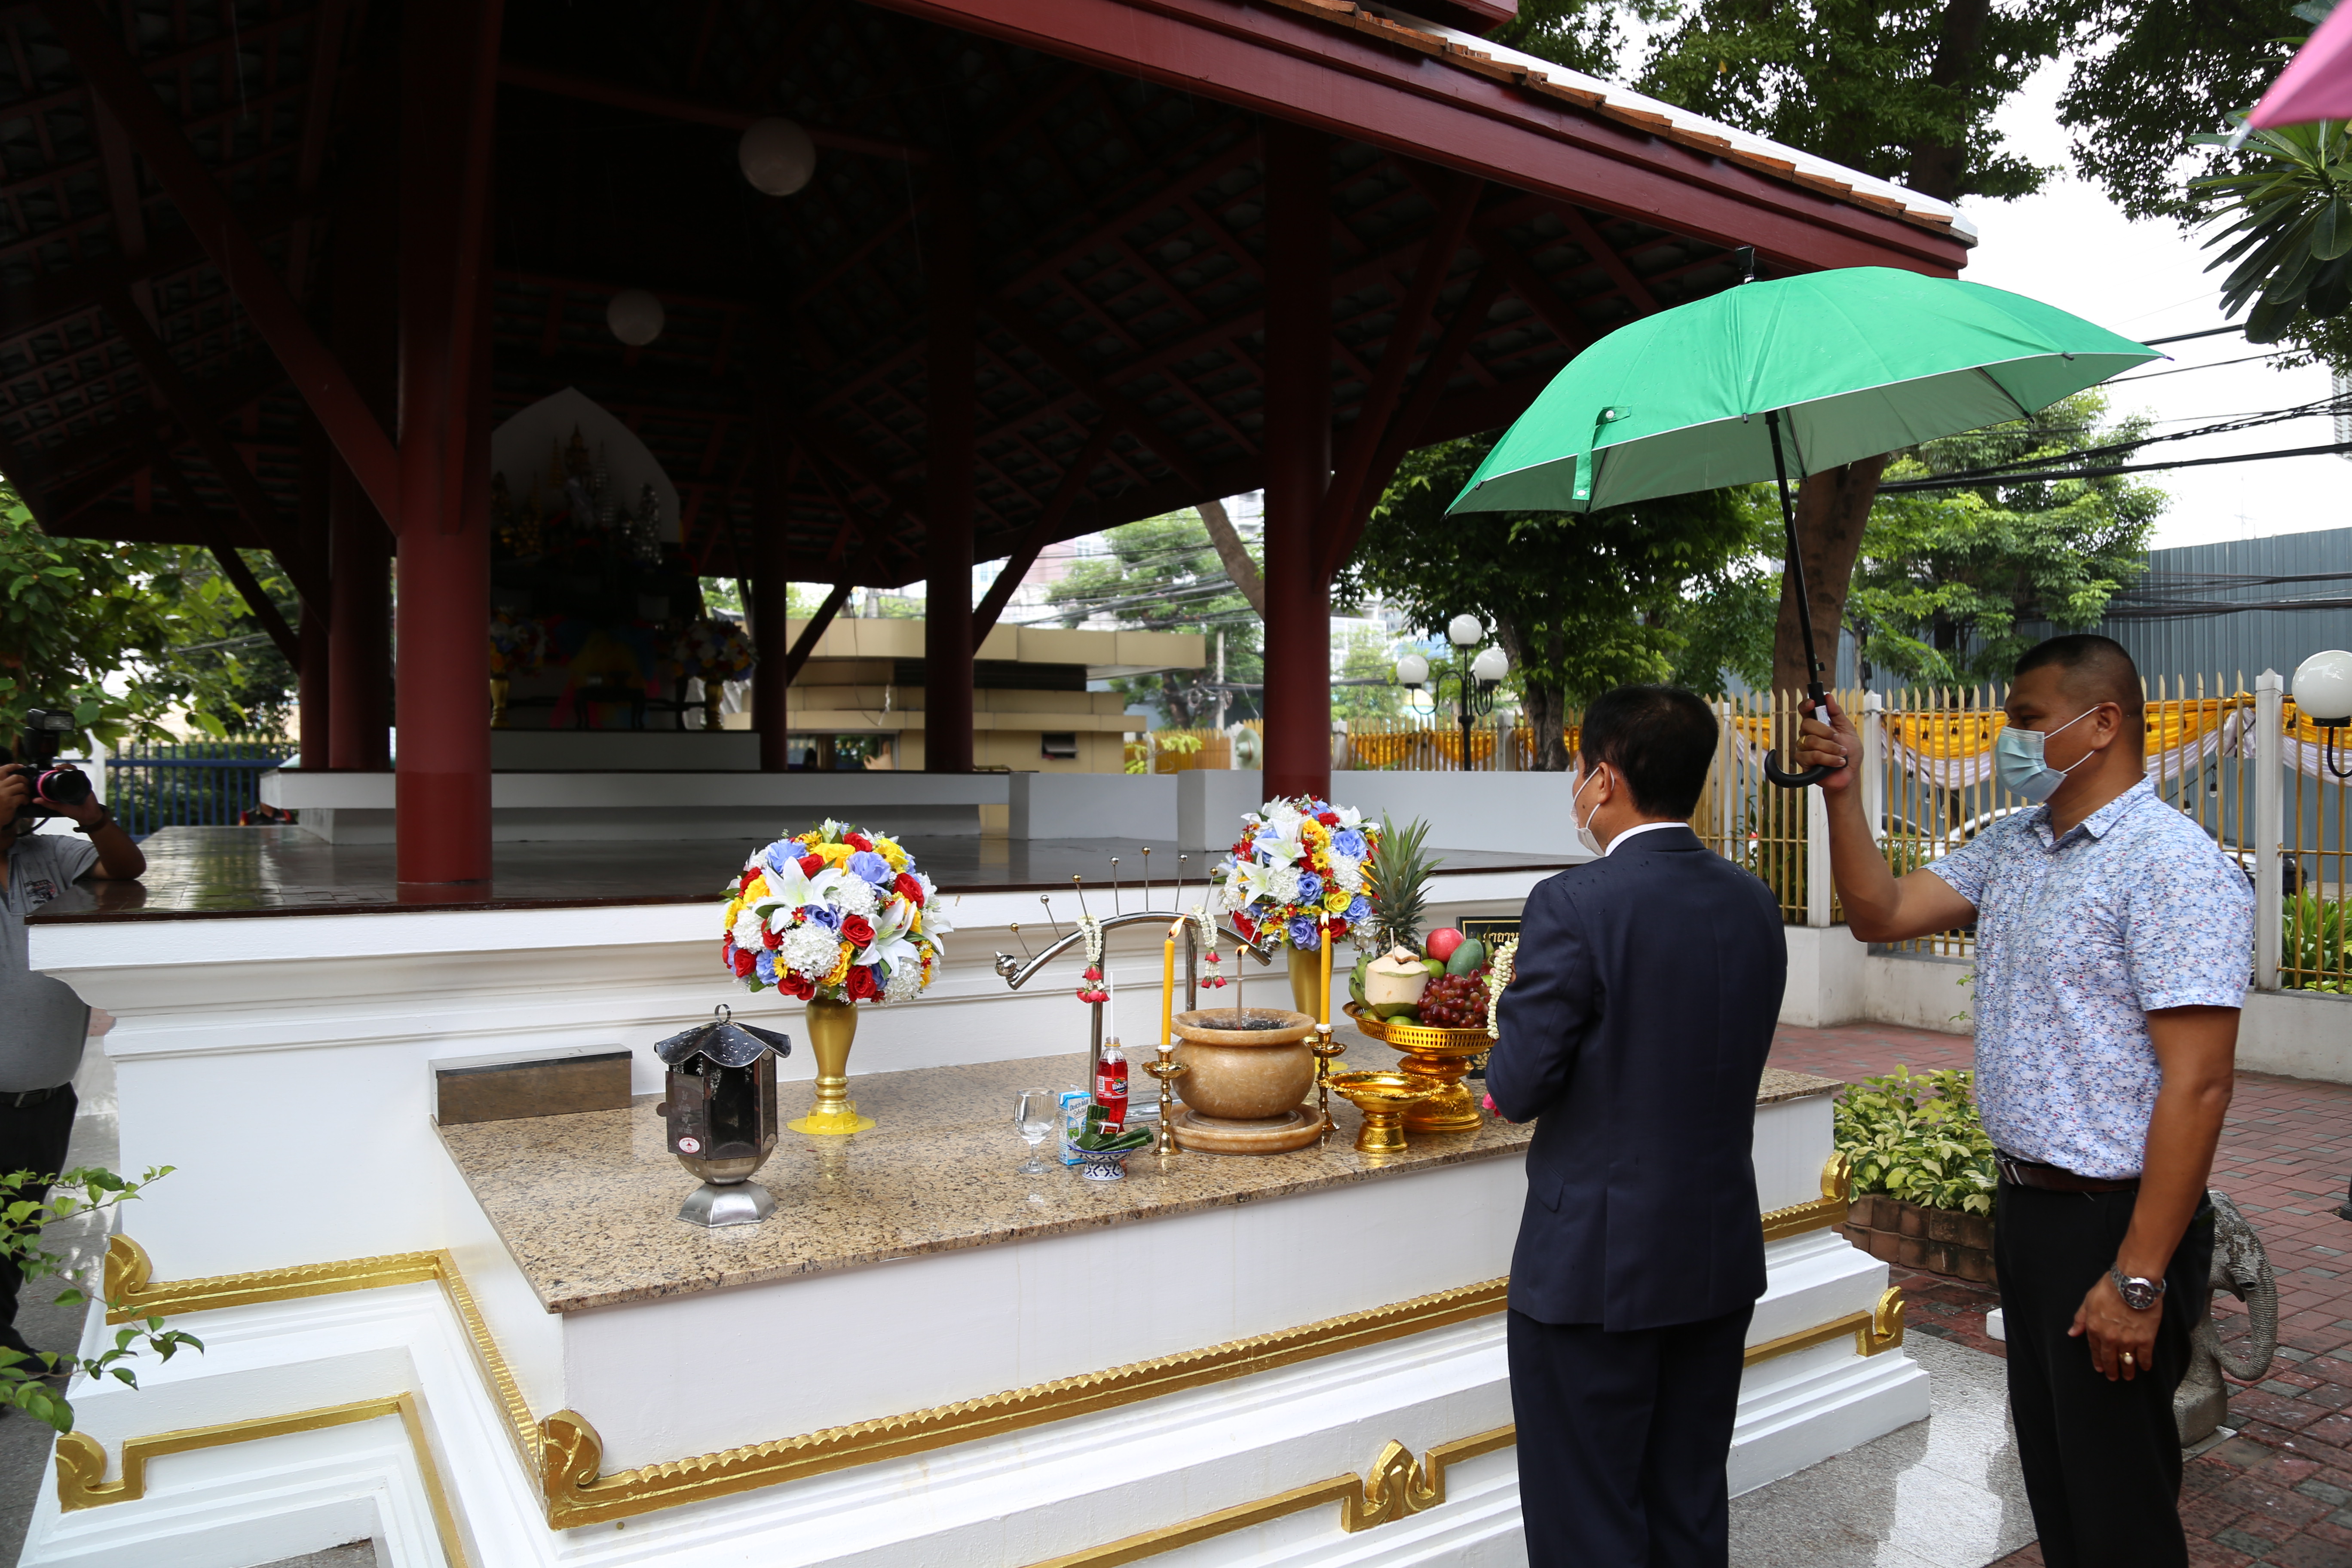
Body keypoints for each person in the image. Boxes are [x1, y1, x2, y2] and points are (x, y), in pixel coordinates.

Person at [1795, 634, 2250, 1568]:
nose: (2007, 740)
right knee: (2055, 1480)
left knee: (2118, 1506)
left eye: (2028, 720)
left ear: (2104, 723)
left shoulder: (2170, 864)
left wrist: (2138, 1278)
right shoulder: (2015, 844)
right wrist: (1843, 792)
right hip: (2029, 1209)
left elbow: (2200, 1084)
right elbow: (1882, 911)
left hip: (2117, 1223)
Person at [1487, 684, 1787, 1568]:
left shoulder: (1574, 903)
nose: (1576, 785)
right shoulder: (1752, 899)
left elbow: (1518, 1086)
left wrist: (1504, 1019)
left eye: (1579, 768)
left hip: (1595, 1266)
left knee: (1588, 1517)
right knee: (1686, 1501)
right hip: (1715, 1250)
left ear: (1606, 778)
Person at [0, 753, 143, 1381]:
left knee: (14, 1238)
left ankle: (6, 1355)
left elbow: (127, 868)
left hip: (47, 1099)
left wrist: (89, 814)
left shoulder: (50, 857)